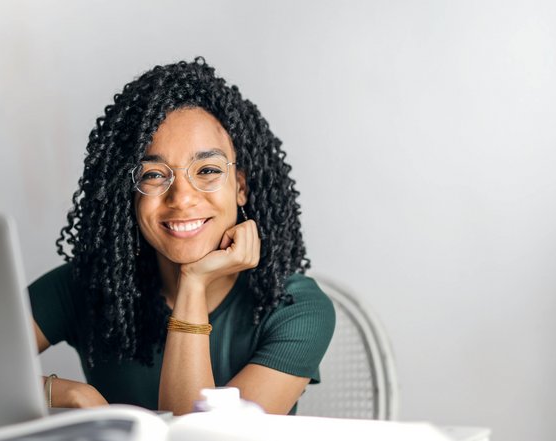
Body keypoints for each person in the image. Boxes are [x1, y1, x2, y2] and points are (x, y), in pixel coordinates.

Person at [28, 57, 335, 416]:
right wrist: (69, 394)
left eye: (207, 170)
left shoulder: (295, 307)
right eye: (154, 175)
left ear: (241, 186)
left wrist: (193, 282)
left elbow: (201, 439)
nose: (182, 198)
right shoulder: (87, 285)